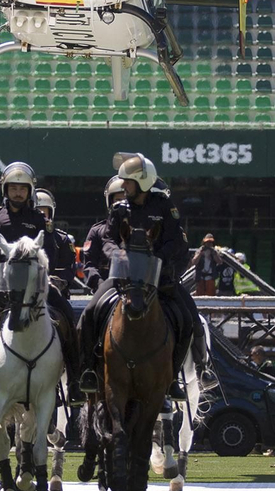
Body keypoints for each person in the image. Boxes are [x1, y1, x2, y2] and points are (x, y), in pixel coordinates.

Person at [78, 152, 208, 397]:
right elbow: (107, 238)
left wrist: (155, 257)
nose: (123, 186)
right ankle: (87, 371)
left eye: (127, 182)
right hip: (123, 280)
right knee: (89, 313)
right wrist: (117, 253)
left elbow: (176, 242)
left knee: (189, 318)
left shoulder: (165, 207)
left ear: (142, 182)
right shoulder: (119, 209)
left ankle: (177, 376)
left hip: (160, 280)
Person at [0, 163, 79, 405]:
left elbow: (49, 251)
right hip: (1, 290)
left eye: (22, 188)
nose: (18, 193)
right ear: (5, 190)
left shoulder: (40, 219)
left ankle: (74, 383)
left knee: (67, 316)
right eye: (13, 188)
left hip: (36, 289)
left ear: (30, 191)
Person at [78, 176, 125, 290]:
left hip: (137, 288)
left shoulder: (141, 229)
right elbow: (89, 266)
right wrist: (100, 285)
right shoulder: (97, 231)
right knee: (90, 309)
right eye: (118, 200)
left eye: (126, 200)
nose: (122, 204)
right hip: (107, 287)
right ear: (110, 202)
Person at [33, 189, 78, 292]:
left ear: (51, 213)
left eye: (44, 213)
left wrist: (57, 282)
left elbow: (68, 269)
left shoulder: (62, 239)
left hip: (53, 290)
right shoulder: (22, 240)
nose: (40, 216)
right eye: (36, 212)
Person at [190, 233, 223, 297]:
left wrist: (213, 254)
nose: (209, 244)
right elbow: (194, 262)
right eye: (207, 242)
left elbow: (219, 262)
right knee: (200, 295)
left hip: (210, 278)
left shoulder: (214, 252)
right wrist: (200, 254)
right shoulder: (199, 251)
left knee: (211, 296)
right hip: (200, 278)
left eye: (210, 242)